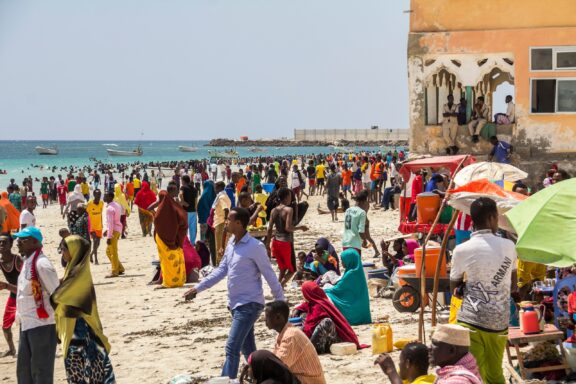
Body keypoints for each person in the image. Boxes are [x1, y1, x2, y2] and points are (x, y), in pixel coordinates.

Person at [183, 207, 285, 379]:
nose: (226, 222)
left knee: (232, 348)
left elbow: (269, 274)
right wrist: (198, 288)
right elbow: (221, 271)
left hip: (250, 304)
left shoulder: (255, 247)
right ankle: (265, 378)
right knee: (249, 349)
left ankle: (226, 381)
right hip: (235, 305)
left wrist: (281, 301)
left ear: (239, 223)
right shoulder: (231, 243)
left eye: (229, 219)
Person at [450, 197, 518, 384]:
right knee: (495, 374)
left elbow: (454, 287)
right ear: (491, 218)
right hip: (498, 323)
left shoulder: (461, 249)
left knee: (471, 374)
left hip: (470, 320)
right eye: (497, 218)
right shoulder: (509, 246)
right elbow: (513, 286)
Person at [50, 235, 116, 383]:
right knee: (91, 369)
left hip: (80, 330)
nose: (62, 253)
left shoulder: (77, 275)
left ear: (74, 251)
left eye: (63, 250)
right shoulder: (74, 270)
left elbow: (59, 299)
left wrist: (54, 294)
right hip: (81, 328)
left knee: (81, 369)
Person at [12, 227, 59, 384]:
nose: (18, 242)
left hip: (42, 325)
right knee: (24, 372)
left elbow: (57, 295)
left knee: (41, 372)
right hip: (26, 324)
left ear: (34, 242)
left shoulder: (42, 264)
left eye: (22, 239)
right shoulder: (28, 262)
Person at [263, 301, 326, 384]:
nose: (265, 319)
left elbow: (278, 366)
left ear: (278, 317)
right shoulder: (284, 333)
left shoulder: (290, 336)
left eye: (267, 316)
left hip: (307, 380)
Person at [294, 282, 364, 354]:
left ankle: (310, 348)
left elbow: (311, 326)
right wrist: (298, 310)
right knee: (303, 315)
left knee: (327, 322)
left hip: (331, 341)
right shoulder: (313, 302)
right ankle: (308, 345)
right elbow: (304, 306)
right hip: (319, 338)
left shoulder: (319, 305)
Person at [267, 187, 308, 287]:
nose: (291, 198)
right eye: (290, 196)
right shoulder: (289, 210)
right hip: (285, 242)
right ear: (286, 197)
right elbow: (288, 228)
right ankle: (279, 287)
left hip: (275, 242)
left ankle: (276, 287)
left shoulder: (273, 210)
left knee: (282, 268)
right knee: (292, 270)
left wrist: (267, 244)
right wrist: (300, 228)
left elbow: (269, 228)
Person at [152, 183, 188, 288]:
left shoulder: (172, 203)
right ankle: (170, 281)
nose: (178, 192)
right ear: (171, 191)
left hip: (171, 236)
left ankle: (175, 281)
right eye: (176, 190)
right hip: (165, 237)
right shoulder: (167, 203)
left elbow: (158, 218)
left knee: (170, 258)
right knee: (168, 259)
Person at [324, 249, 371, 325]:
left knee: (327, 295)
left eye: (343, 260)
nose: (342, 262)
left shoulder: (351, 273)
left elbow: (338, 289)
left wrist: (324, 290)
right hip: (360, 307)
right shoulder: (357, 271)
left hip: (354, 311)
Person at [0, 233, 22, 357]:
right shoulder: (1, 261)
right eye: (0, 242)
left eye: (4, 242)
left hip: (24, 296)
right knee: (6, 326)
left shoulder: (17, 260)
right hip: (13, 296)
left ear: (10, 245)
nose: (1, 245)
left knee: (24, 325)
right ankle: (12, 349)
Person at [342, 190, 379, 258]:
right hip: (364, 221)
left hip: (362, 221)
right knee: (368, 237)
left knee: (367, 237)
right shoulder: (366, 203)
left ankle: (376, 251)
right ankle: (376, 251)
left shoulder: (357, 206)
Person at [103, 191, 125, 278]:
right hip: (118, 229)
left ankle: (114, 271)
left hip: (113, 231)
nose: (103, 197)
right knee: (109, 251)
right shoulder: (117, 205)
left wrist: (109, 236)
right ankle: (120, 268)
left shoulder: (109, 209)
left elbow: (110, 223)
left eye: (105, 196)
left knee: (112, 252)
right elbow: (123, 211)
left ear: (109, 197)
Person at [211, 181, 231, 265]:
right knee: (224, 243)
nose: (214, 189)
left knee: (219, 244)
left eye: (215, 187)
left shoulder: (221, 197)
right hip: (220, 222)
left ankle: (220, 263)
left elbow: (226, 209)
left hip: (221, 222)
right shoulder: (224, 195)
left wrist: (226, 220)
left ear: (219, 188)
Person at [86, 189, 104, 264]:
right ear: (94, 195)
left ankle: (91, 254)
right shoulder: (89, 203)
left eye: (99, 194)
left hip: (99, 226)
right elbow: (86, 213)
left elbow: (102, 214)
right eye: (97, 194)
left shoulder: (101, 203)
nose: (98, 196)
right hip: (92, 227)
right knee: (95, 241)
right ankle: (96, 260)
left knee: (98, 244)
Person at [180, 175, 199, 243]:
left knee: (185, 228)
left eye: (181, 180)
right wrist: (196, 210)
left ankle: (185, 243)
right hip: (193, 211)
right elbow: (196, 200)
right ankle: (192, 243)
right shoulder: (195, 189)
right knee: (192, 229)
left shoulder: (183, 187)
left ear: (184, 181)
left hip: (185, 211)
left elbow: (181, 194)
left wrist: (183, 202)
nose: (181, 182)